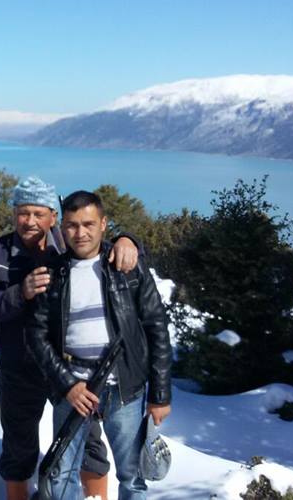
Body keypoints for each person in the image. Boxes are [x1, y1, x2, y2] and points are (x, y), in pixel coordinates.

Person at [0, 177, 141, 500]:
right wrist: (19, 293)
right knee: (18, 442)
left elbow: (105, 248)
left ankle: (95, 498)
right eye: (23, 212)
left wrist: (128, 240)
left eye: (38, 213)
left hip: (70, 370)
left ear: (53, 216)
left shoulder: (68, 244)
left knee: (87, 440)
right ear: (14, 213)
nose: (30, 221)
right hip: (19, 366)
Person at [26, 190, 172, 500]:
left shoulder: (127, 267)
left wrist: (160, 395)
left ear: (104, 224)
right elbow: (36, 336)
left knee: (132, 477)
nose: (80, 233)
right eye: (72, 225)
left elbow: (156, 327)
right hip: (73, 390)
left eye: (88, 224)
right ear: (62, 227)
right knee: (61, 474)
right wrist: (68, 385)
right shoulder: (51, 273)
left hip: (124, 389)